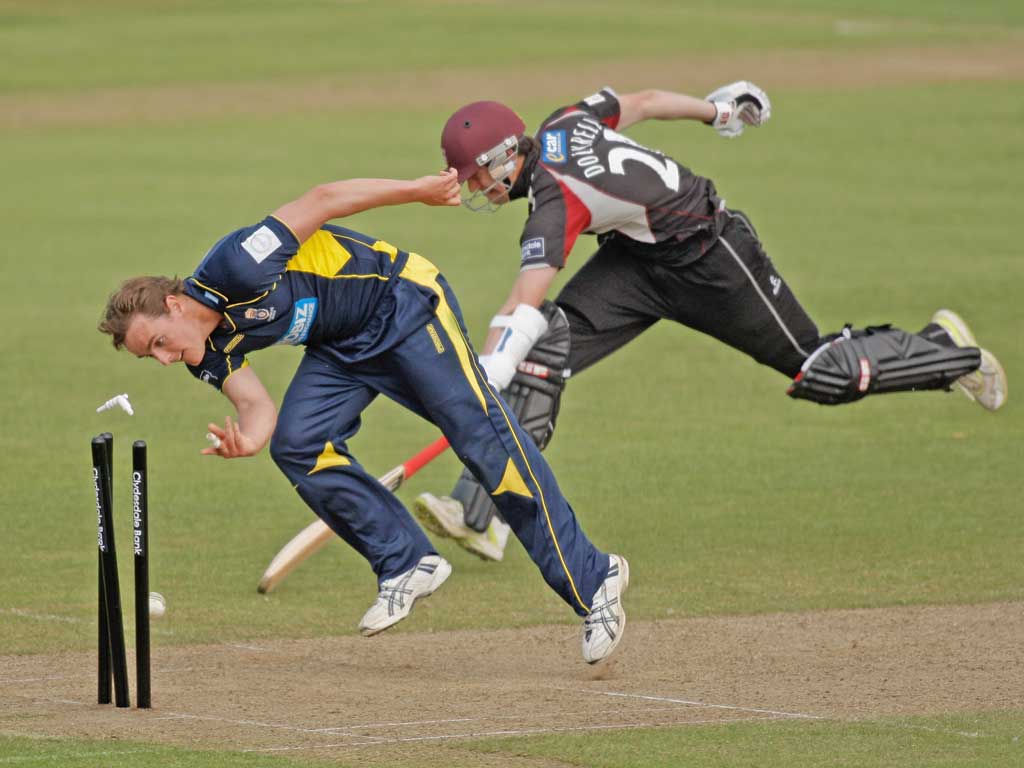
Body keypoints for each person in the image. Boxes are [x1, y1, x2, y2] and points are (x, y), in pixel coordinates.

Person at [414, 82, 1008, 561]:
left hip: (711, 256)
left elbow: (524, 296)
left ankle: (945, 349)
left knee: (819, 370)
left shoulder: (554, 201)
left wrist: (490, 363)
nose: (473, 186)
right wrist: (716, 109)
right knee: (543, 354)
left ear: (507, 158)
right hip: (636, 264)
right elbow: (641, 102)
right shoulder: (563, 121)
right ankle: (480, 515)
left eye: (475, 175)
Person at [98, 169, 628, 664]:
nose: (166, 358)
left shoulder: (237, 264)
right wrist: (250, 442)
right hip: (341, 347)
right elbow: (256, 407)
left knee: (483, 441)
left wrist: (418, 190)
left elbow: (324, 200)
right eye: (154, 357)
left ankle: (593, 578)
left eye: (160, 343)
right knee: (298, 446)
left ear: (172, 304)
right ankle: (406, 562)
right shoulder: (205, 353)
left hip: (401, 303)